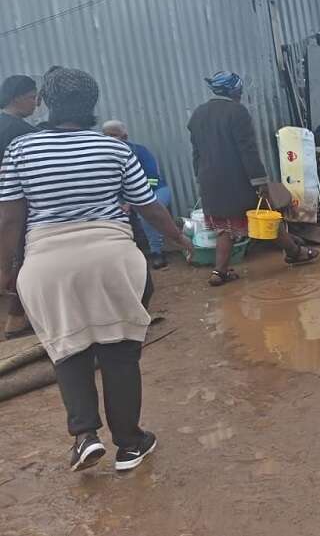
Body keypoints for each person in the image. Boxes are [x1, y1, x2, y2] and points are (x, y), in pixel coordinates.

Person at [0, 67, 194, 473]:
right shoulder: (114, 149)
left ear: (47, 103)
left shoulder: (20, 150)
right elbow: (149, 206)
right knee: (120, 350)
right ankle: (129, 443)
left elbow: (10, 219)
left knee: (67, 348)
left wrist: (6, 271)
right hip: (111, 258)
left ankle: (85, 437)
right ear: (92, 103)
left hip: (47, 263)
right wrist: (181, 239)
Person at [188, 71, 318, 286]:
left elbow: (196, 153)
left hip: (209, 181)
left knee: (226, 228)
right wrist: (260, 182)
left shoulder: (198, 114)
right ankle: (295, 253)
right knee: (267, 217)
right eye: (239, 89)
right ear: (233, 91)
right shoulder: (237, 112)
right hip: (237, 181)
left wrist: (200, 178)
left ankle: (219, 272)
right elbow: (248, 151)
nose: (240, 93)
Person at [102, 120, 171, 270]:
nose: (110, 139)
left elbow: (152, 179)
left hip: (155, 190)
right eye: (106, 135)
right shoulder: (102, 157)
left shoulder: (140, 151)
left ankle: (157, 252)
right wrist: (120, 202)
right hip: (123, 199)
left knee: (147, 213)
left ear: (125, 136)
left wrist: (132, 202)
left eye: (114, 135)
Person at [0, 75, 39, 340]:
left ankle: (15, 318)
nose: (36, 104)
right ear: (17, 97)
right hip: (16, 204)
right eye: (32, 97)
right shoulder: (21, 132)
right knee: (24, 257)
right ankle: (15, 320)